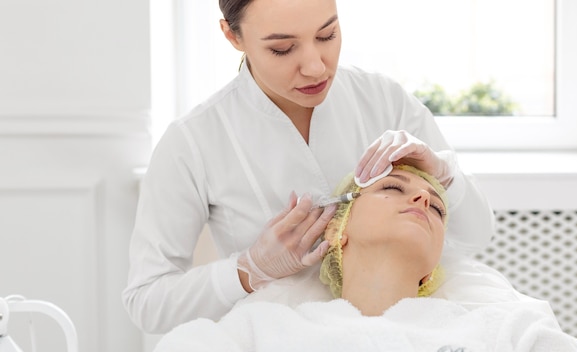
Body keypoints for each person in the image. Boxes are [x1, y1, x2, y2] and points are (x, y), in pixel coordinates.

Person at [122, 0, 497, 334]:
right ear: (232, 35)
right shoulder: (194, 141)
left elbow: (476, 234)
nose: (316, 67)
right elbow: (148, 302)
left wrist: (442, 172)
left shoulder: (384, 101)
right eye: (282, 48)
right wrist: (248, 270)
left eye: (327, 34)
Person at [153, 165, 577, 351]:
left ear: (433, 265)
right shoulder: (265, 328)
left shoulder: (502, 327)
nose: (424, 196)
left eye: (438, 207)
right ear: (337, 229)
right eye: (392, 188)